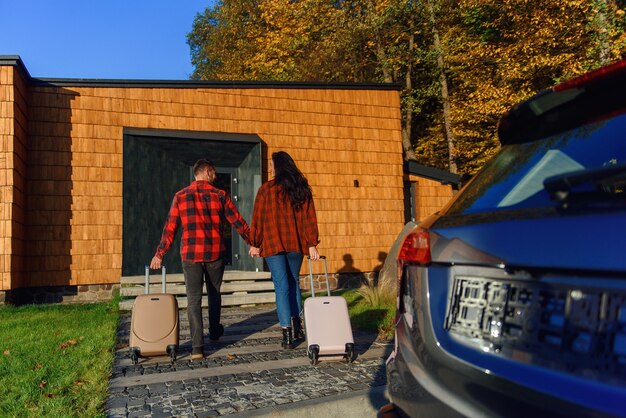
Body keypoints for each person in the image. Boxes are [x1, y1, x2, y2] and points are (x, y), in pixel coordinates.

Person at [150, 159, 251, 360]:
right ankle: (214, 333)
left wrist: (159, 254)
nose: (214, 175)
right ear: (206, 171)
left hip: (190, 255)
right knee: (214, 294)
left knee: (193, 299)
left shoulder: (180, 196)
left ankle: (197, 348)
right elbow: (237, 221)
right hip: (215, 254)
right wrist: (252, 242)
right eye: (212, 172)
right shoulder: (220, 195)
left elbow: (170, 228)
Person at [248, 151, 320, 349]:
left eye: (271, 164)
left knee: (281, 286)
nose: (269, 168)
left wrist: (254, 243)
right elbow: (309, 218)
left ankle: (287, 333)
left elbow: (258, 219)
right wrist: (311, 243)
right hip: (295, 243)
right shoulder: (300, 189)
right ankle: (298, 327)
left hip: (272, 244)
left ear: (277, 166)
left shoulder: (266, 190)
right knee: (293, 282)